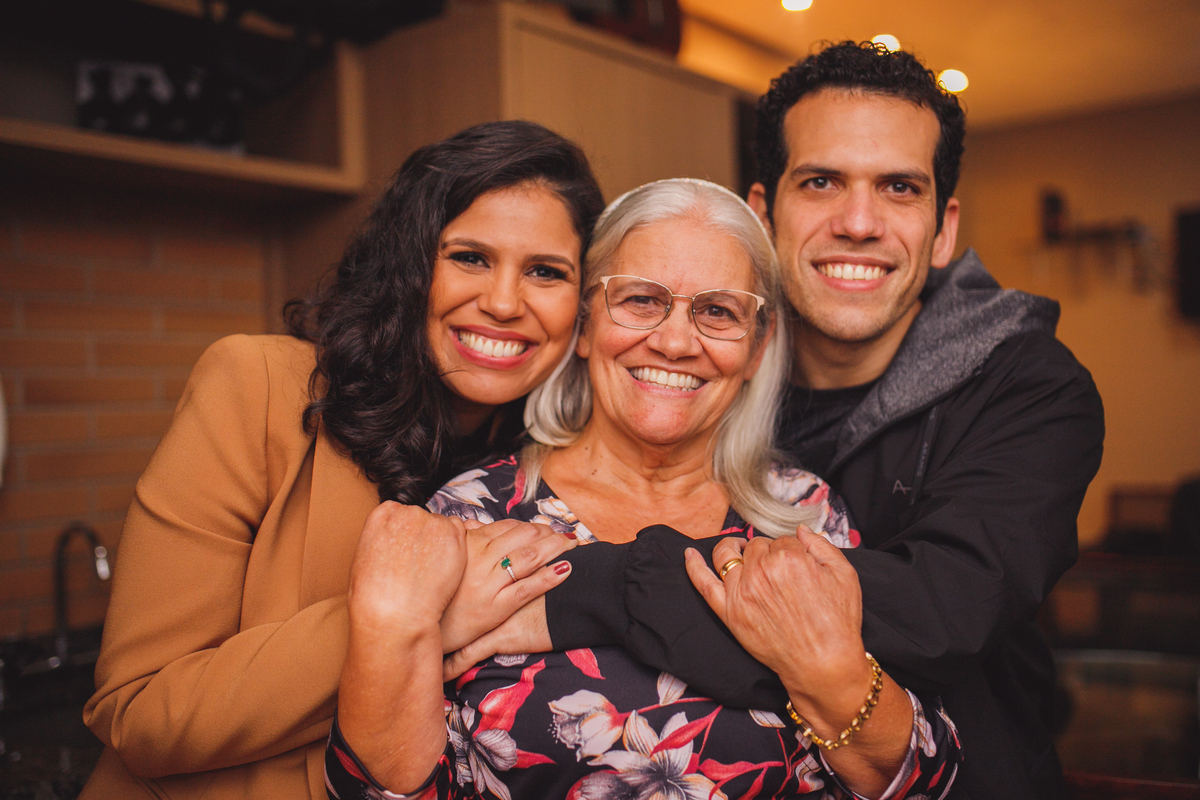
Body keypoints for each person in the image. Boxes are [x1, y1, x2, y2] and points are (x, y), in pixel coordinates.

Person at [449, 43, 1105, 800]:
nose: (859, 221)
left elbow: (940, 614)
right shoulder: (703, 373)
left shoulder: (1028, 391)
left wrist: (578, 589)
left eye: (899, 187)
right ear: (764, 212)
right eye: (821, 181)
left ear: (944, 228)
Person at [326, 179, 962, 800]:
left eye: (718, 311)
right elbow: (384, 789)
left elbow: (920, 773)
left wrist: (828, 675)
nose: (676, 342)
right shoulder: (470, 515)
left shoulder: (805, 514)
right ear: (583, 326)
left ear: (758, 347)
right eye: (639, 300)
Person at [79, 120, 605, 800]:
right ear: (412, 263)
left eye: (545, 271)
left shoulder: (557, 474)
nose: (504, 302)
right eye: (469, 257)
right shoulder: (257, 387)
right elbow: (140, 712)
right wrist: (410, 621)